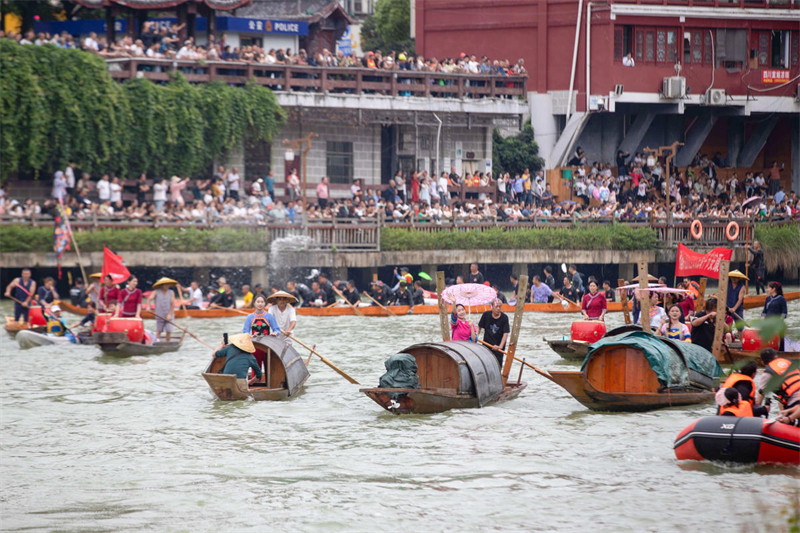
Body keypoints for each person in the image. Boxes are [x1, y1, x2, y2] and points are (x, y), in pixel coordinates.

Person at [757, 349, 800, 413]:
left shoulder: (767, 373)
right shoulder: (790, 362)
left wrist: (757, 412)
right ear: (776, 357)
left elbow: (759, 399)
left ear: (762, 362)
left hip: (794, 401)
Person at [478, 299, 510, 368]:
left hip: (498, 348)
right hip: (486, 346)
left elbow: (505, 333)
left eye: (499, 306)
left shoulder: (504, 318)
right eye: (496, 306)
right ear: (491, 306)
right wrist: (476, 336)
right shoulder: (486, 315)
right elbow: (479, 327)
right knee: (486, 366)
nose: (498, 308)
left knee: (497, 367)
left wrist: (500, 346)